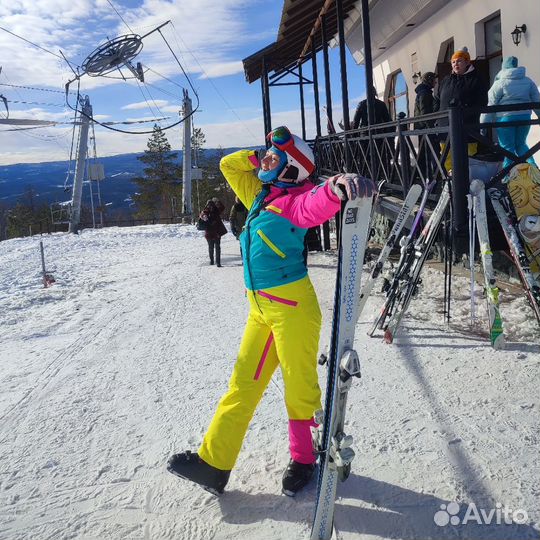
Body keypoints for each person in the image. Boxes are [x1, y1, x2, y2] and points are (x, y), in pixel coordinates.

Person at [168, 126, 374, 496]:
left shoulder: (296, 201)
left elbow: (317, 205)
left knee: (299, 389)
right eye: (267, 155)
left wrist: (335, 187)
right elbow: (228, 166)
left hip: (293, 309)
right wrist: (259, 156)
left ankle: (305, 458)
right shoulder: (261, 195)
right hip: (260, 309)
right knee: (243, 384)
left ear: (291, 169)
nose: (265, 161)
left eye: (274, 158)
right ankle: (213, 464)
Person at [433, 47, 488, 170]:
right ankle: (449, 184)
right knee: (447, 158)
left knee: (469, 159)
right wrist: (437, 118)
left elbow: (482, 102)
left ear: (467, 62)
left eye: (459, 61)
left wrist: (467, 113)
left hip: (467, 127)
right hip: (445, 128)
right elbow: (436, 100)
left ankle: (469, 185)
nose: (456, 64)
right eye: (453, 62)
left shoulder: (476, 79)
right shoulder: (446, 80)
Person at [481, 56, 540, 169]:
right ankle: (534, 170)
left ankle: (507, 174)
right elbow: (537, 101)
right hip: (524, 117)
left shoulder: (500, 83)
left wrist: (483, 124)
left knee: (507, 148)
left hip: (505, 119)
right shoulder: (528, 81)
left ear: (503, 68)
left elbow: (491, 104)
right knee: (521, 145)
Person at [414, 72, 439, 179]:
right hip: (425, 127)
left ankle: (420, 174)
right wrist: (431, 127)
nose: (436, 82)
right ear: (429, 80)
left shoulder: (423, 92)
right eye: (434, 80)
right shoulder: (425, 93)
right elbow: (425, 112)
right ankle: (432, 175)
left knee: (424, 151)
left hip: (422, 127)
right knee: (430, 151)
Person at [199, 198, 226, 267]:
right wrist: (218, 200)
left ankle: (211, 261)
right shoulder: (216, 210)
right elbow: (222, 207)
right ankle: (218, 262)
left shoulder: (205, 212)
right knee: (217, 247)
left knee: (211, 247)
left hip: (208, 233)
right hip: (216, 232)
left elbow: (201, 217)